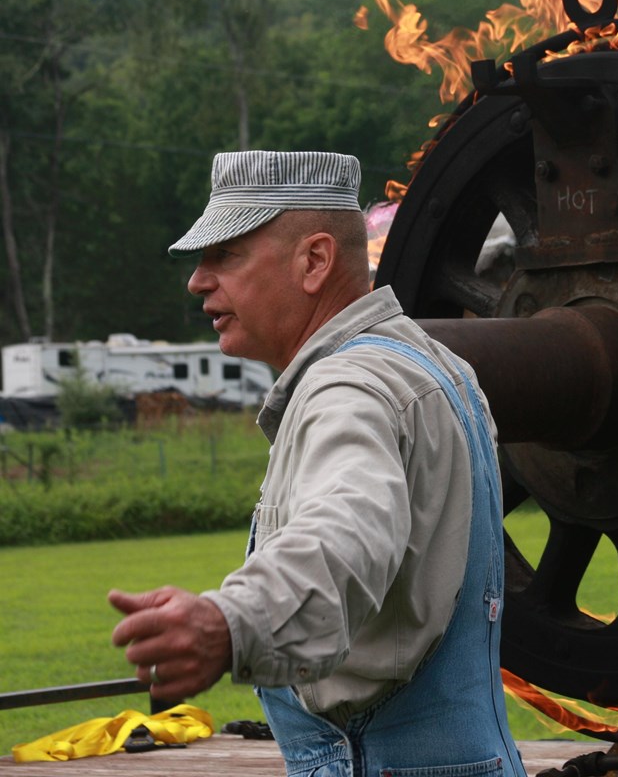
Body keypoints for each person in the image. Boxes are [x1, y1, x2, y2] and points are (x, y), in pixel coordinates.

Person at [109, 150, 526, 777]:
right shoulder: (440, 369)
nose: (197, 280)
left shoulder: (348, 388)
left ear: (315, 261)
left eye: (226, 254)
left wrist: (233, 623)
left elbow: (346, 530)